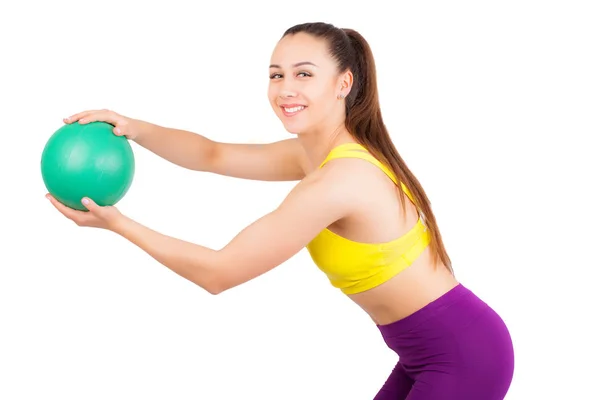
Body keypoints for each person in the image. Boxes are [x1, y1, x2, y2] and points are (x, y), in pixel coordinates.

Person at [46, 22, 514, 399]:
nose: (285, 89)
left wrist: (117, 224)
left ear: (343, 83)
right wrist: (134, 128)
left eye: (304, 74)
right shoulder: (313, 156)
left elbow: (219, 271)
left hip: (463, 354)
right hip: (425, 353)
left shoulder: (340, 180)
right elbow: (212, 154)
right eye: (276, 74)